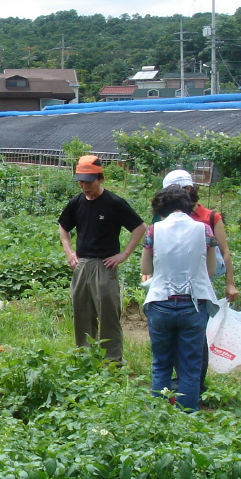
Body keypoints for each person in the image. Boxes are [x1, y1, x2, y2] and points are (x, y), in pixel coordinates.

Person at [58, 155, 146, 363]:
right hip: (82, 265)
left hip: (104, 265)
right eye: (81, 182)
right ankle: (85, 356)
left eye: (89, 182)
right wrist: (69, 252)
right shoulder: (76, 202)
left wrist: (124, 254)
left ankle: (112, 360)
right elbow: (63, 227)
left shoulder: (114, 203)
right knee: (82, 313)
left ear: (100, 179)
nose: (84, 186)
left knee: (108, 315)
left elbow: (140, 227)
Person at [140, 186, 218, 410]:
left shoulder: (154, 230)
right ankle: (188, 416)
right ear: (187, 205)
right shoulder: (204, 230)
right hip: (193, 304)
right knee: (190, 367)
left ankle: (160, 414)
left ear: (160, 208)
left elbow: (146, 268)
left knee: (161, 364)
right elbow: (211, 269)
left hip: (160, 303)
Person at [161, 169, 238, 303]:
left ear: (188, 189)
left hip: (202, 286)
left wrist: (230, 284)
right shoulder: (166, 217)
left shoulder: (210, 217)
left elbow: (225, 251)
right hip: (170, 286)